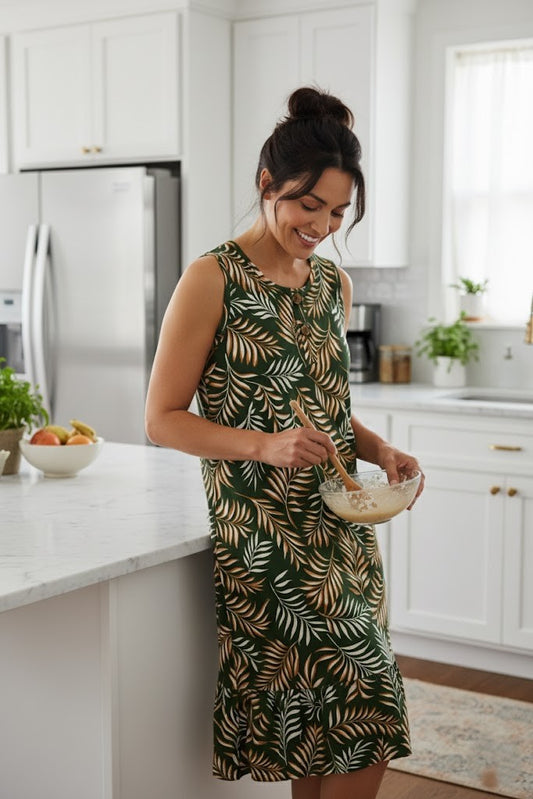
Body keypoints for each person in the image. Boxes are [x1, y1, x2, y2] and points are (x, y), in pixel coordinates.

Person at [145, 86, 424, 799]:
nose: (322, 226)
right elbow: (162, 418)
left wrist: (378, 448)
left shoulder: (333, 283)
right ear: (267, 185)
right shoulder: (212, 278)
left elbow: (327, 409)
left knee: (323, 722)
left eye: (336, 212)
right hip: (264, 537)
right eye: (309, 206)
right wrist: (262, 445)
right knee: (368, 694)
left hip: (341, 530)